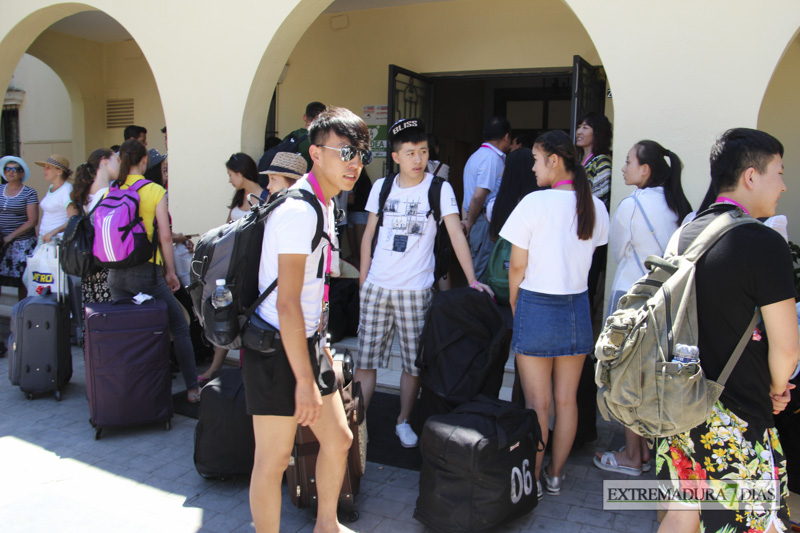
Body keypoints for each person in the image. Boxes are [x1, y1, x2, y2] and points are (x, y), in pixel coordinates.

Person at [656, 128, 798, 533]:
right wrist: (778, 388)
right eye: (779, 172)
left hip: (678, 405)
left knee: (681, 514)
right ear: (751, 177)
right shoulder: (763, 242)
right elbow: (787, 348)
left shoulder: (683, 235)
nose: (783, 185)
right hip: (738, 414)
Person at [245, 107, 366, 533]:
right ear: (316, 153)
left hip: (307, 343)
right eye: (346, 151)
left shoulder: (323, 203)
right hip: (277, 348)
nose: (355, 162)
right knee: (274, 460)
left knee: (340, 438)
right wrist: (303, 377)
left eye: (361, 153)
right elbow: (286, 304)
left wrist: (321, 348)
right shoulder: (300, 210)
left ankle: (327, 525)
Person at [355, 118, 493, 448]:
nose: (418, 159)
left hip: (416, 290)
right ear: (395, 156)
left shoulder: (439, 188)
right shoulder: (382, 187)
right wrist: (363, 282)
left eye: (423, 152)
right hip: (376, 286)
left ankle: (403, 420)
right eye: (410, 153)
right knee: (365, 362)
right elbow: (368, 237)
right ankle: (355, 422)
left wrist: (472, 280)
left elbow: (457, 235)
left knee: (413, 364)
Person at [500, 130, 608, 500]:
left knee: (538, 405)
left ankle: (530, 477)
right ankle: (556, 476)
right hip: (576, 307)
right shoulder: (594, 205)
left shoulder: (534, 203)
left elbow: (517, 267)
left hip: (536, 303)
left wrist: (516, 304)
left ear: (554, 160)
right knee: (567, 401)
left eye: (535, 159)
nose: (532, 167)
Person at [592, 140, 692, 477]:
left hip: (632, 297)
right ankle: (647, 449)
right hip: (666, 300)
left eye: (628, 161)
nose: (623, 167)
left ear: (645, 169)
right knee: (651, 376)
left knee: (624, 377)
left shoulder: (631, 205)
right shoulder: (681, 207)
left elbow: (619, 251)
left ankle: (632, 457)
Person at [105, 139, 199, 403]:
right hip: (146, 271)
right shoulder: (153, 190)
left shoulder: (111, 190)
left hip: (115, 274)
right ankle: (192, 388)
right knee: (179, 327)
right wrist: (170, 272)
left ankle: (127, 389)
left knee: (128, 331)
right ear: (144, 161)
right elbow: (165, 237)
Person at [198, 152, 292, 385]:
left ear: (240, 173)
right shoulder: (238, 196)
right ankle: (216, 367)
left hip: (253, 266)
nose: (230, 180)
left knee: (243, 316)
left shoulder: (264, 195)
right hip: (230, 266)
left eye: (231, 175)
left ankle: (241, 370)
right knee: (226, 314)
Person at [67, 148, 119, 344]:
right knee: (110, 320)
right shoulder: (111, 195)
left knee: (94, 322)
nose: (119, 163)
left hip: (89, 270)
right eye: (116, 159)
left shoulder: (84, 197)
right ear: (104, 161)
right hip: (108, 267)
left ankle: (95, 366)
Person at [461, 116, 512, 280]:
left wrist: (467, 220)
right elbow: (478, 196)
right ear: (506, 137)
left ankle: (474, 302)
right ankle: (474, 304)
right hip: (482, 219)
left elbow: (468, 196)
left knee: (476, 266)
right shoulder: (491, 158)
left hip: (474, 219)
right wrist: (469, 222)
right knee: (481, 271)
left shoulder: (475, 156)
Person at [0, 155, 38, 304]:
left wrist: (10, 237)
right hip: (1, 242)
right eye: (7, 169)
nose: (10, 172)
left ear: (22, 173)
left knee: (22, 280)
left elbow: (33, 220)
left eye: (15, 169)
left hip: (22, 242)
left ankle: (21, 314)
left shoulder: (29, 192)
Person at [575, 112, 612, 210]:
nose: (579, 132)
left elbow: (601, 198)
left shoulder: (602, 162)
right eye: (579, 127)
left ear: (597, 133)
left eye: (585, 128)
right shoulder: (579, 162)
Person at [35, 154, 73, 243]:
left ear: (59, 171)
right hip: (45, 237)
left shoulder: (67, 189)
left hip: (57, 240)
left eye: (48, 167)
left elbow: (73, 218)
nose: (44, 170)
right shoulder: (51, 187)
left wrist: (54, 232)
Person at [283, 101, 326, 169]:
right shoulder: (323, 140)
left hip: (291, 178)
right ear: (323, 120)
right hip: (311, 179)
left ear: (304, 117)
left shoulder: (291, 136)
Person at [346, 166, 371, 266]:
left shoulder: (363, 180)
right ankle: (356, 280)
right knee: (355, 252)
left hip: (360, 214)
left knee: (361, 252)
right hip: (350, 214)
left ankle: (361, 278)